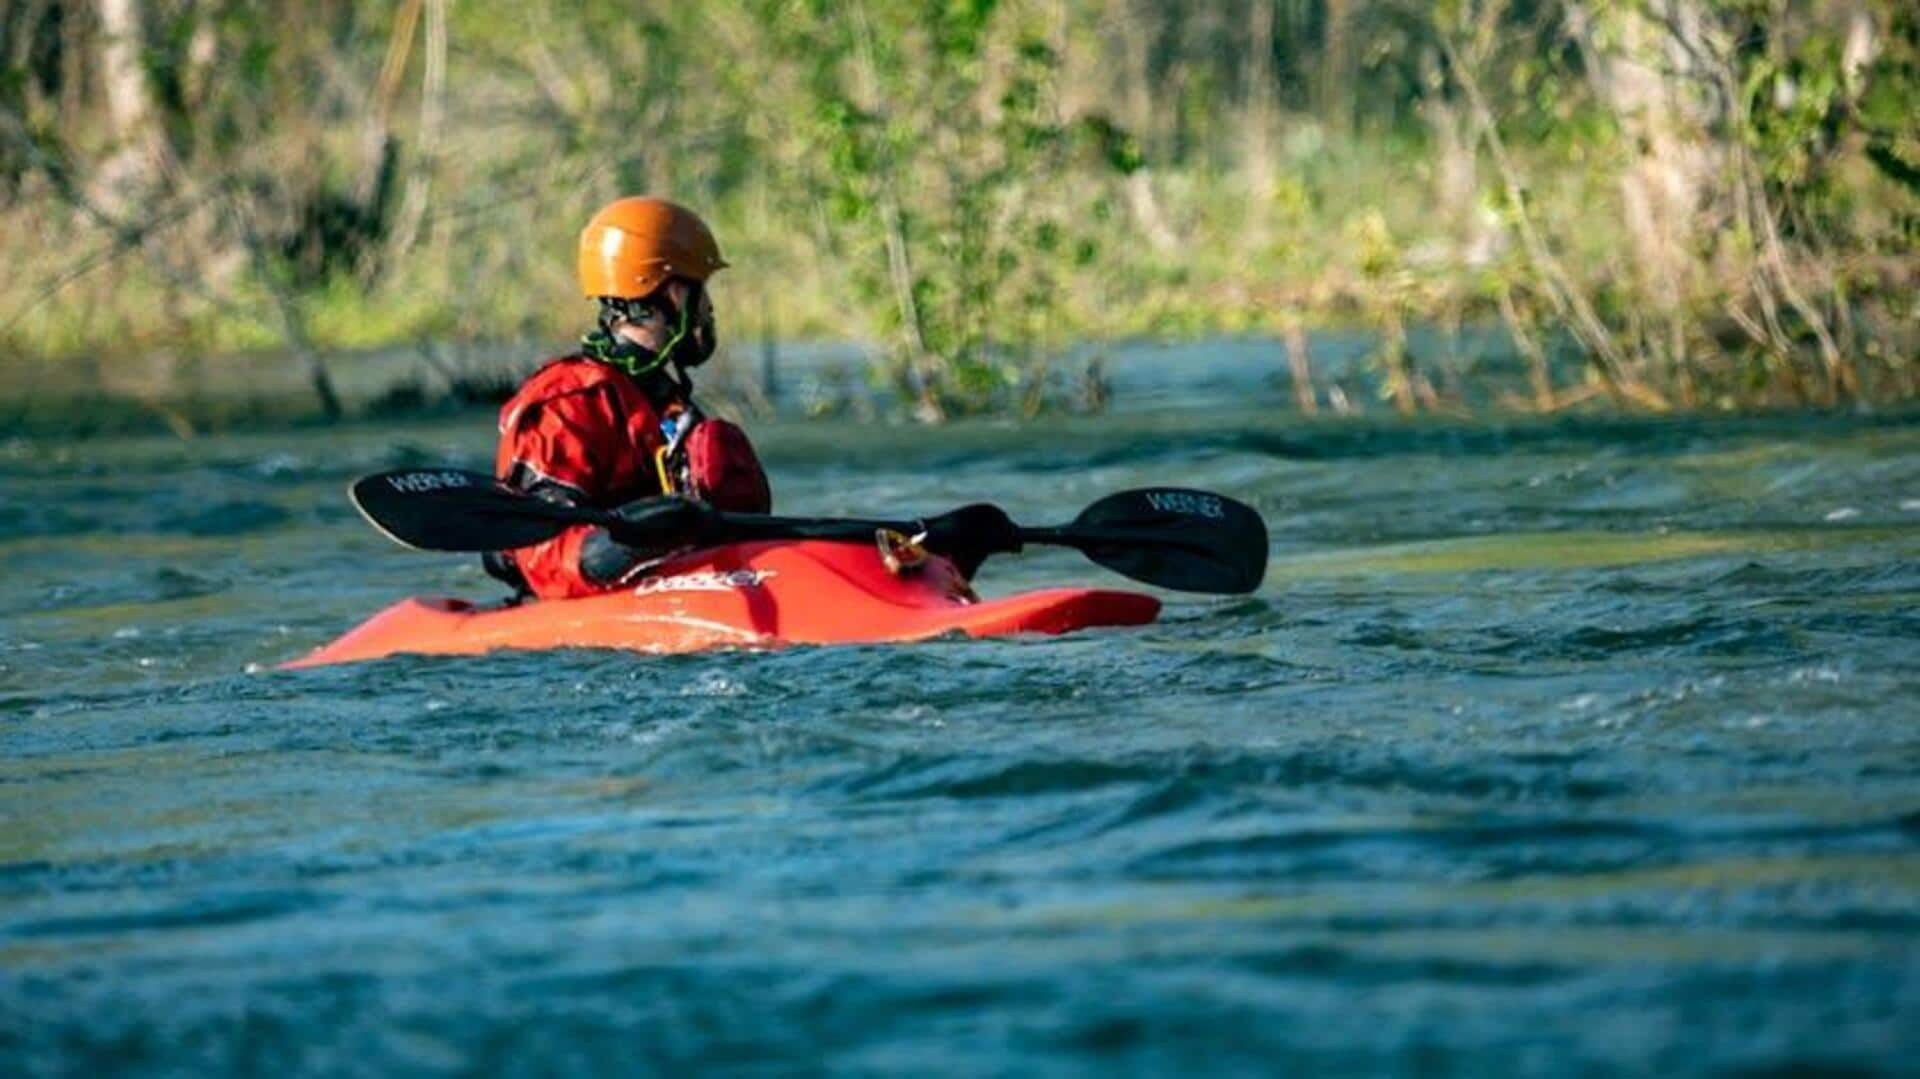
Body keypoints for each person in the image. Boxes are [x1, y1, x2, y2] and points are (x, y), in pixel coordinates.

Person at [485, 196, 771, 599]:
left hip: (676, 590)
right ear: (672, 293)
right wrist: (631, 542)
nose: (708, 308)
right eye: (701, 290)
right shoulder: (568, 402)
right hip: (584, 626)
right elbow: (541, 551)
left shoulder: (665, 400)